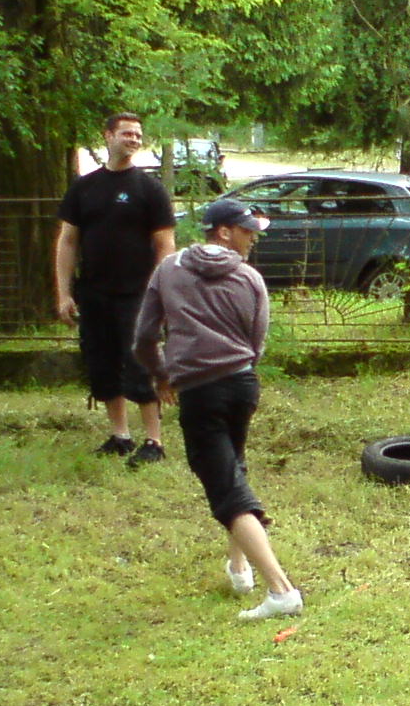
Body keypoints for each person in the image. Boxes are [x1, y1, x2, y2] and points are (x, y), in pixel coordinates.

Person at [133, 198, 304, 620]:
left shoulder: (168, 269)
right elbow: (258, 340)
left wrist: (162, 374)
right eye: (247, 230)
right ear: (223, 232)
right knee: (233, 468)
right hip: (242, 385)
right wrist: (239, 368)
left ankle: (281, 590)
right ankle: (239, 567)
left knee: (226, 490)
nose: (253, 238)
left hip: (199, 391)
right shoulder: (249, 277)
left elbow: (144, 336)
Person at [55, 111, 176, 466]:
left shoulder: (149, 189)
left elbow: (165, 244)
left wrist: (161, 292)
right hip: (93, 294)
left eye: (138, 134)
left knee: (140, 365)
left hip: (138, 295)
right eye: (127, 133)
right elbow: (67, 241)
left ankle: (154, 441)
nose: (134, 139)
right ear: (108, 136)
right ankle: (120, 436)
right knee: (102, 364)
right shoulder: (84, 187)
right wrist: (63, 292)